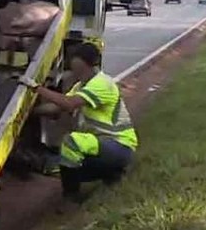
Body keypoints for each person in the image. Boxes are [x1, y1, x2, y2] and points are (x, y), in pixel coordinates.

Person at [18, 42, 138, 201]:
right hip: (102, 146)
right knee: (60, 165)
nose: (76, 74)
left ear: (92, 66)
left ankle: (72, 197)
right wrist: (27, 114)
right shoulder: (82, 85)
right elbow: (56, 108)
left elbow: (69, 103)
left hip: (119, 146)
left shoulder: (102, 84)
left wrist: (36, 88)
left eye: (79, 70)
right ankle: (111, 173)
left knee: (71, 142)